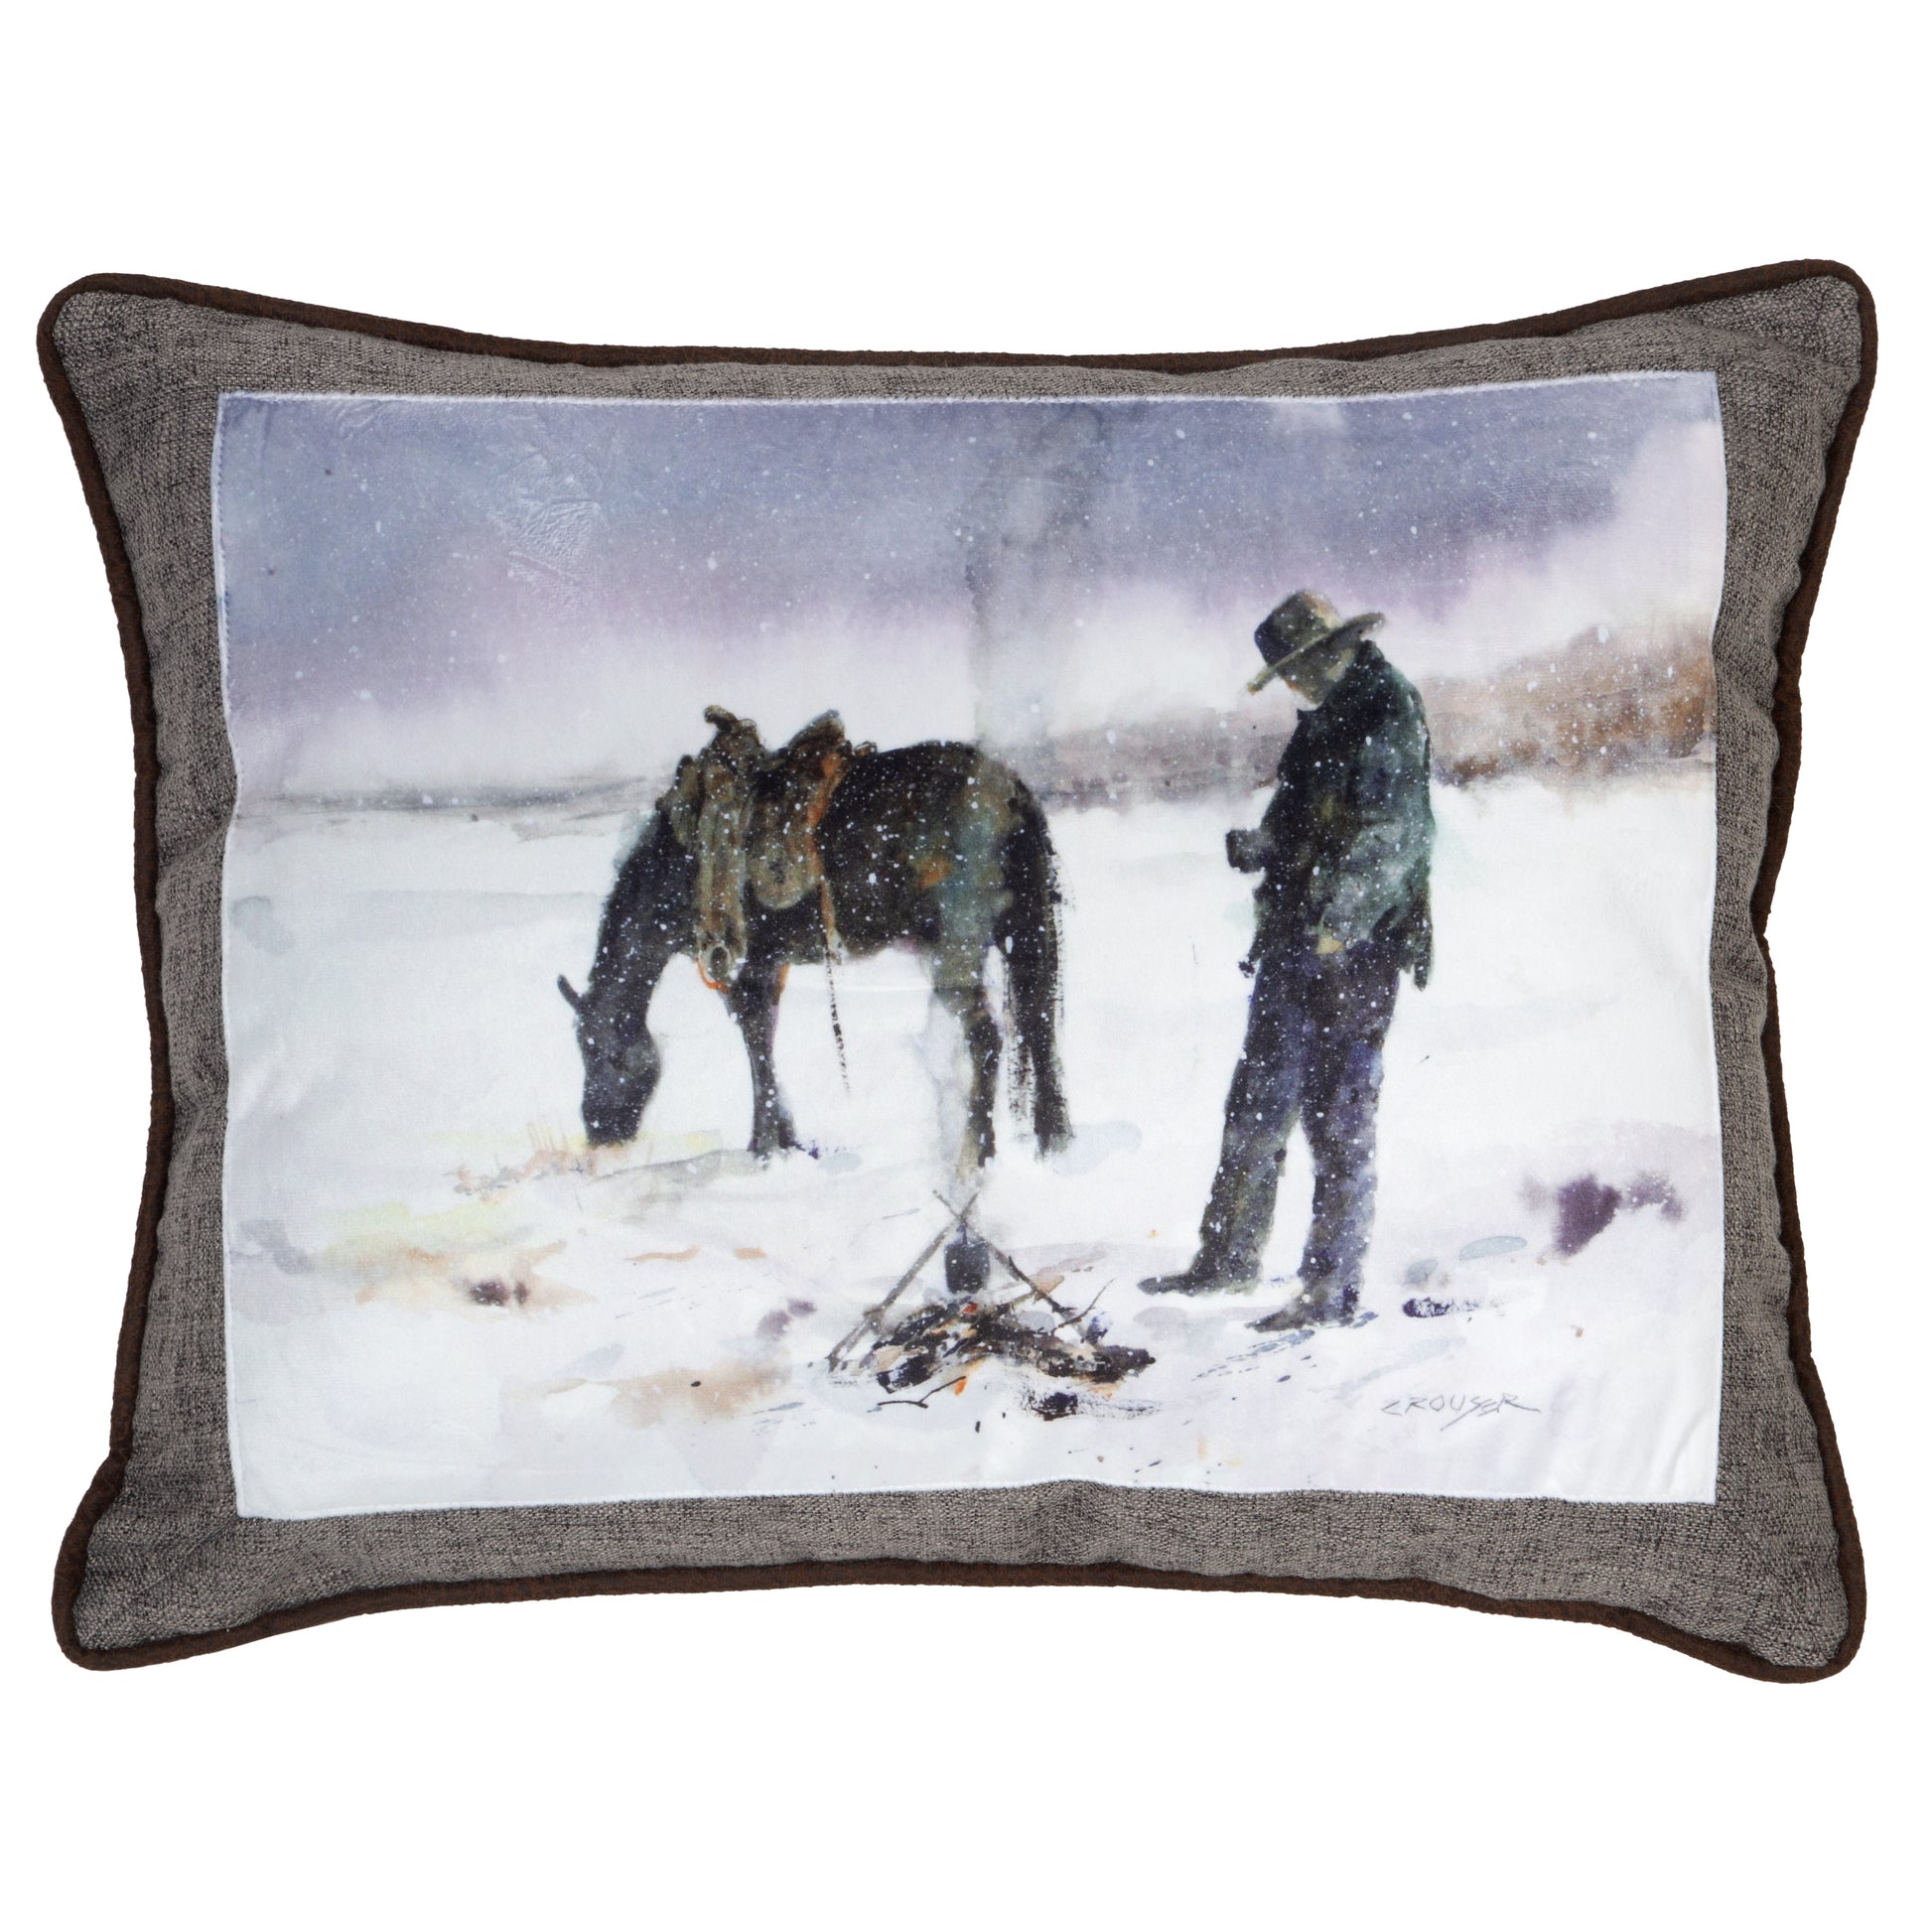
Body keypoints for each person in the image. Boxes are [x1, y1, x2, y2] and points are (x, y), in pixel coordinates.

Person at [1142, 591, 1434, 1331]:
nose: (1294, 683)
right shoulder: (1325, 719)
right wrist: (1261, 846)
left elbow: (1394, 836)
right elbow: (1303, 820)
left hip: (1355, 949)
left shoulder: (1388, 709)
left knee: (1338, 1120)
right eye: (1286, 673)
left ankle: (1329, 1292)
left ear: (1330, 651)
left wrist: (1338, 926)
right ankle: (1228, 1258)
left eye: (1297, 668)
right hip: (1294, 941)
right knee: (1256, 1105)